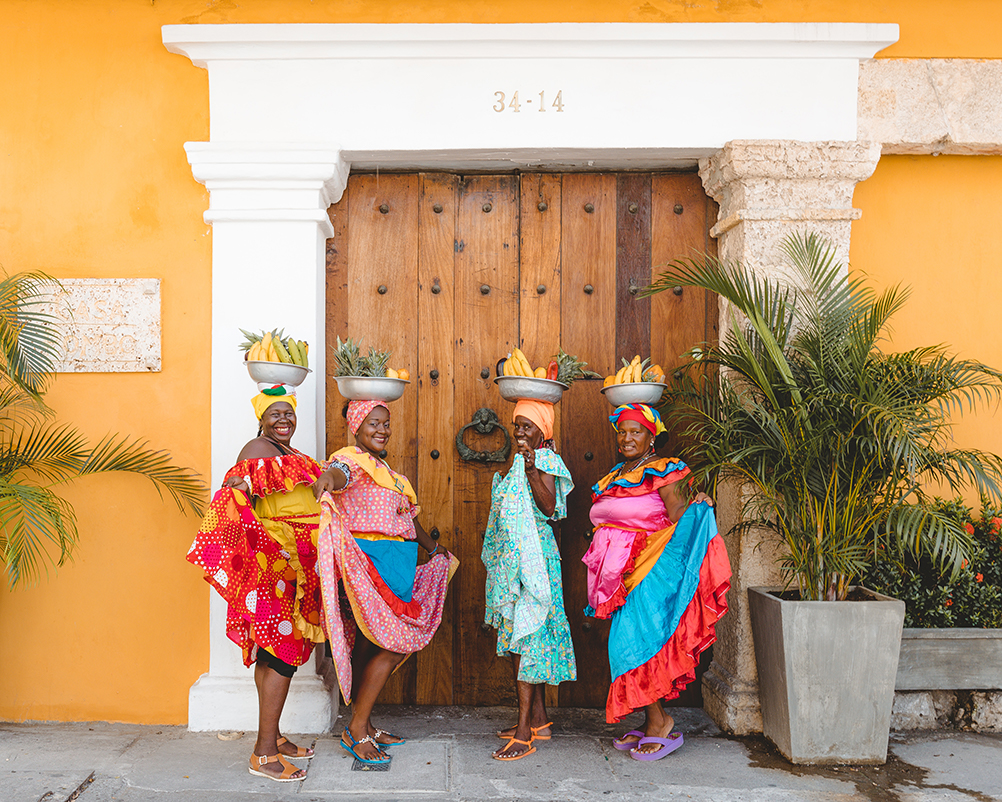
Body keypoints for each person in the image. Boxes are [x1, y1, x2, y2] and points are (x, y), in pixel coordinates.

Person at [187, 384, 342, 782]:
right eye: (275, 414)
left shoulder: (292, 455)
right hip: (279, 567)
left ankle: (274, 737)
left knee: (275, 654)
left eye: (288, 413)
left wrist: (332, 476)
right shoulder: (257, 450)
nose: (284, 419)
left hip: (297, 568)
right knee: (284, 654)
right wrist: (241, 488)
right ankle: (264, 754)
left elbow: (334, 476)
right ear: (262, 418)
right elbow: (244, 485)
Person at [582, 403, 730, 761]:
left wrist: (700, 505)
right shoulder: (617, 474)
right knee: (629, 647)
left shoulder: (665, 470)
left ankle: (659, 722)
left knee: (639, 646)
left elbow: (680, 517)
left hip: (651, 571)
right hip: (620, 579)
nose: (628, 437)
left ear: (652, 436)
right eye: (623, 431)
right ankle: (653, 718)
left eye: (636, 431)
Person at [313, 399, 457, 766]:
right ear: (356, 427)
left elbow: (408, 518)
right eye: (373, 423)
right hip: (371, 567)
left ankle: (365, 722)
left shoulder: (387, 472)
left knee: (370, 643)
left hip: (398, 566)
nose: (381, 429)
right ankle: (356, 730)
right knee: (393, 644)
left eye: (386, 423)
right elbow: (339, 475)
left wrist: (434, 549)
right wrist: (328, 480)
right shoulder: (350, 460)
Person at [482, 399, 576, 761]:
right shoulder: (519, 461)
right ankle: (539, 720)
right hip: (513, 563)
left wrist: (535, 471)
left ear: (543, 430)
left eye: (527, 426)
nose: (520, 432)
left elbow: (551, 509)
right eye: (517, 425)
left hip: (535, 560)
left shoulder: (546, 460)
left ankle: (524, 732)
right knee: (519, 637)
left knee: (530, 635)